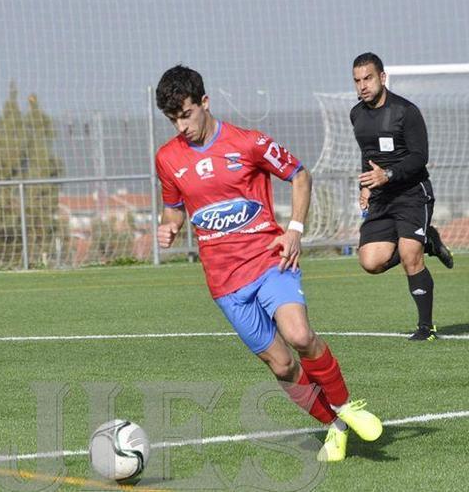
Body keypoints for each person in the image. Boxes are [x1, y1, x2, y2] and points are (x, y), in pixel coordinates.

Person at [155, 65, 381, 462]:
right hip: (224, 283)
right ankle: (335, 425)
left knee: (299, 335)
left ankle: (347, 406)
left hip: (269, 261)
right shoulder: (168, 158)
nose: (181, 126)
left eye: (186, 114)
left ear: (204, 103)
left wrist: (294, 229)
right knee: (281, 366)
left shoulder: (249, 143)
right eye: (173, 119)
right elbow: (173, 209)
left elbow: (299, 175)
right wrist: (168, 227)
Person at [350, 52, 454, 342]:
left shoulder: (406, 112)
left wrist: (390, 175)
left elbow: (421, 157)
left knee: (410, 256)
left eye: (368, 78)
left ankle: (426, 327)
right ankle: (426, 239)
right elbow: (367, 154)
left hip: (411, 193)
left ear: (382, 77)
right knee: (370, 262)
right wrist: (366, 185)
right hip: (381, 197)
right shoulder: (356, 114)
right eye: (357, 80)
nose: (362, 85)